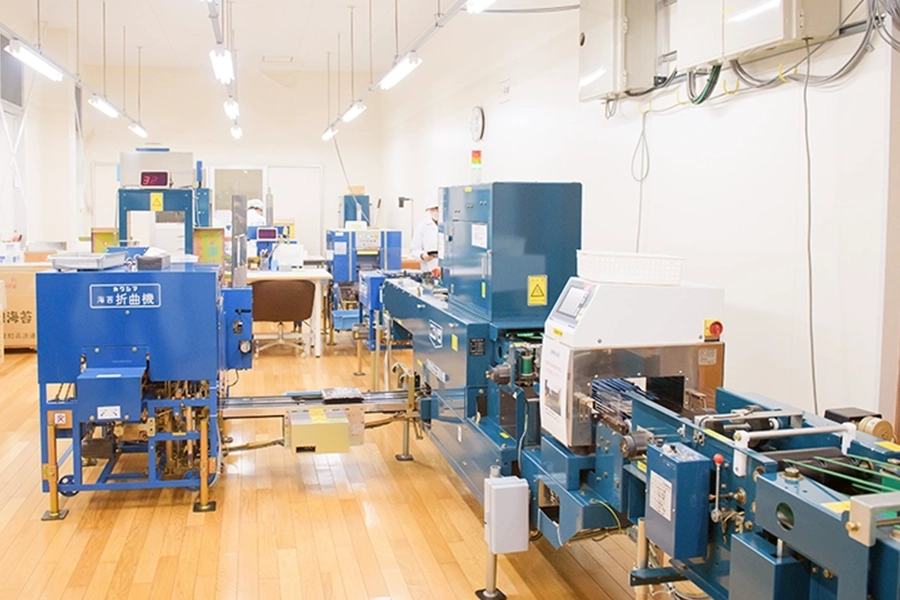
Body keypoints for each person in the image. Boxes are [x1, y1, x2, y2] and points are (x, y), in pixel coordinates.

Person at [410, 202, 440, 270]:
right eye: (432, 209)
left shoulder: (452, 225)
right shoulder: (422, 227)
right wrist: (423, 256)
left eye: (437, 209)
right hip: (429, 270)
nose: (435, 211)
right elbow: (414, 250)